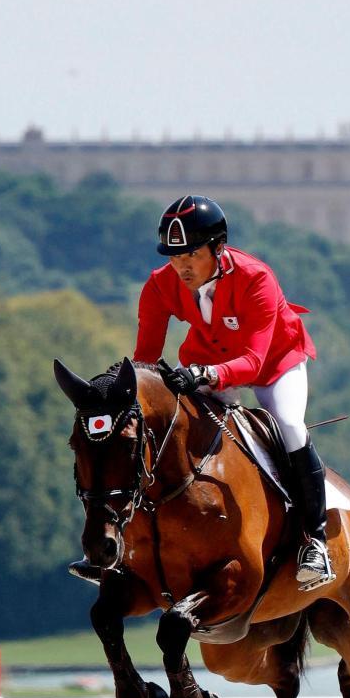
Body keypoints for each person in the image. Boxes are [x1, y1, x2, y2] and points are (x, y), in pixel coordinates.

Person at [134, 194, 334, 591]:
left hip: (276, 363)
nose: (181, 266)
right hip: (205, 363)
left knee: (290, 426)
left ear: (217, 247)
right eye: (174, 256)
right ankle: (129, 537)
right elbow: (145, 361)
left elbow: (254, 362)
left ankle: (316, 541)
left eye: (191, 254)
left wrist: (203, 374)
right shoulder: (160, 285)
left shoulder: (256, 277)